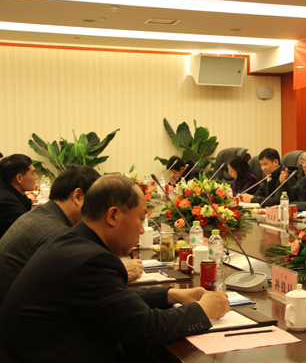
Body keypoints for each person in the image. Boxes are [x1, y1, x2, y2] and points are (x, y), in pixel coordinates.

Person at [0, 175, 229, 362]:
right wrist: (203, 310)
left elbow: (111, 300)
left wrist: (171, 295)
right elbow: (145, 328)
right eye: (140, 219)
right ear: (113, 216)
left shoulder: (70, 239)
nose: (142, 230)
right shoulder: (91, 260)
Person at [0, 165, 104, 306]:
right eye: (95, 201)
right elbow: (77, 284)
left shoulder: (42, 214)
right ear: (77, 196)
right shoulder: (55, 233)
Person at [0, 154, 38, 238]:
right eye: (33, 173)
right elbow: (29, 232)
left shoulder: (8, 191)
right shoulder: (7, 203)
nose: (36, 177)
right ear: (19, 178)